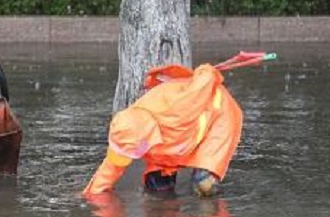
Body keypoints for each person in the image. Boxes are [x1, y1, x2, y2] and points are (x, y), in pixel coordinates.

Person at [83, 62, 243, 197]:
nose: (130, 158)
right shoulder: (127, 130)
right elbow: (110, 170)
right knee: (156, 187)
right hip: (174, 141)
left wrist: (206, 71)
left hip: (219, 117)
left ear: (147, 139)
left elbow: (205, 81)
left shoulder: (178, 108)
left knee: (204, 185)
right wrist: (92, 197)